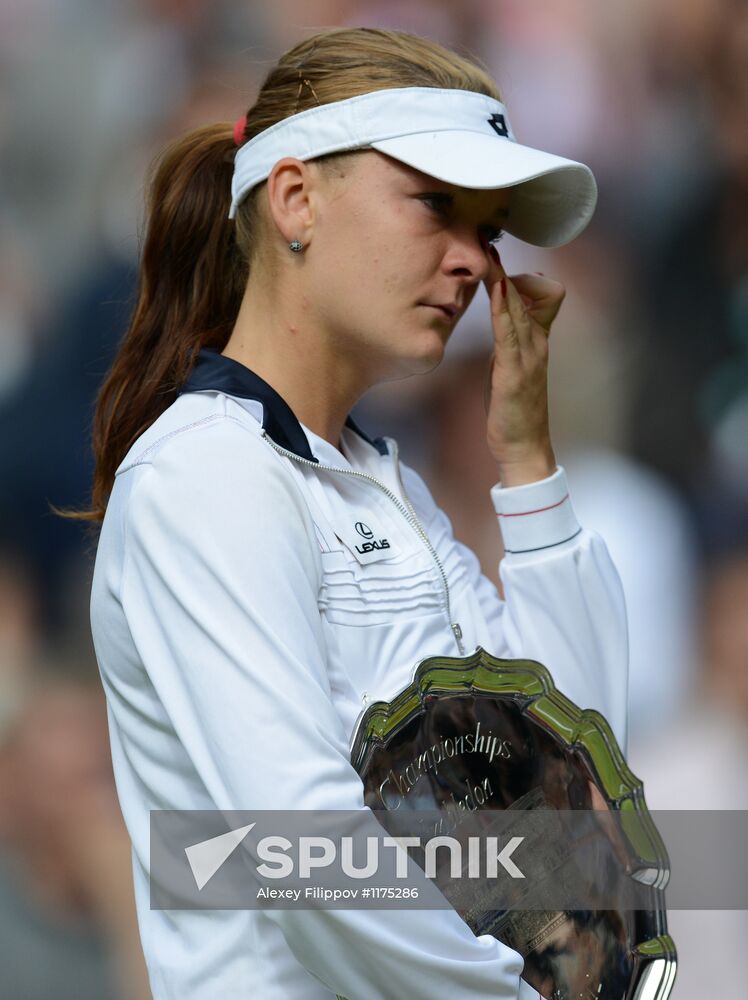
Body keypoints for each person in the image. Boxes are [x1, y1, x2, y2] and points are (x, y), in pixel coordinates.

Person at [67, 26, 628, 1000]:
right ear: (294, 200)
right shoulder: (203, 476)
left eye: (488, 228)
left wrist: (527, 463)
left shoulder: (383, 484)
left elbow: (579, 780)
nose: (472, 262)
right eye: (436, 206)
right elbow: (298, 846)